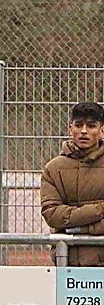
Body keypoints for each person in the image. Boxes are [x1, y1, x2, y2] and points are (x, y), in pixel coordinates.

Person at [40, 102, 104, 266]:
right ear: (71, 129)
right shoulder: (53, 169)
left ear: (102, 130)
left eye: (91, 126)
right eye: (78, 125)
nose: (84, 131)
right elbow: (52, 214)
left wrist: (79, 229)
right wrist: (100, 209)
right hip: (68, 263)